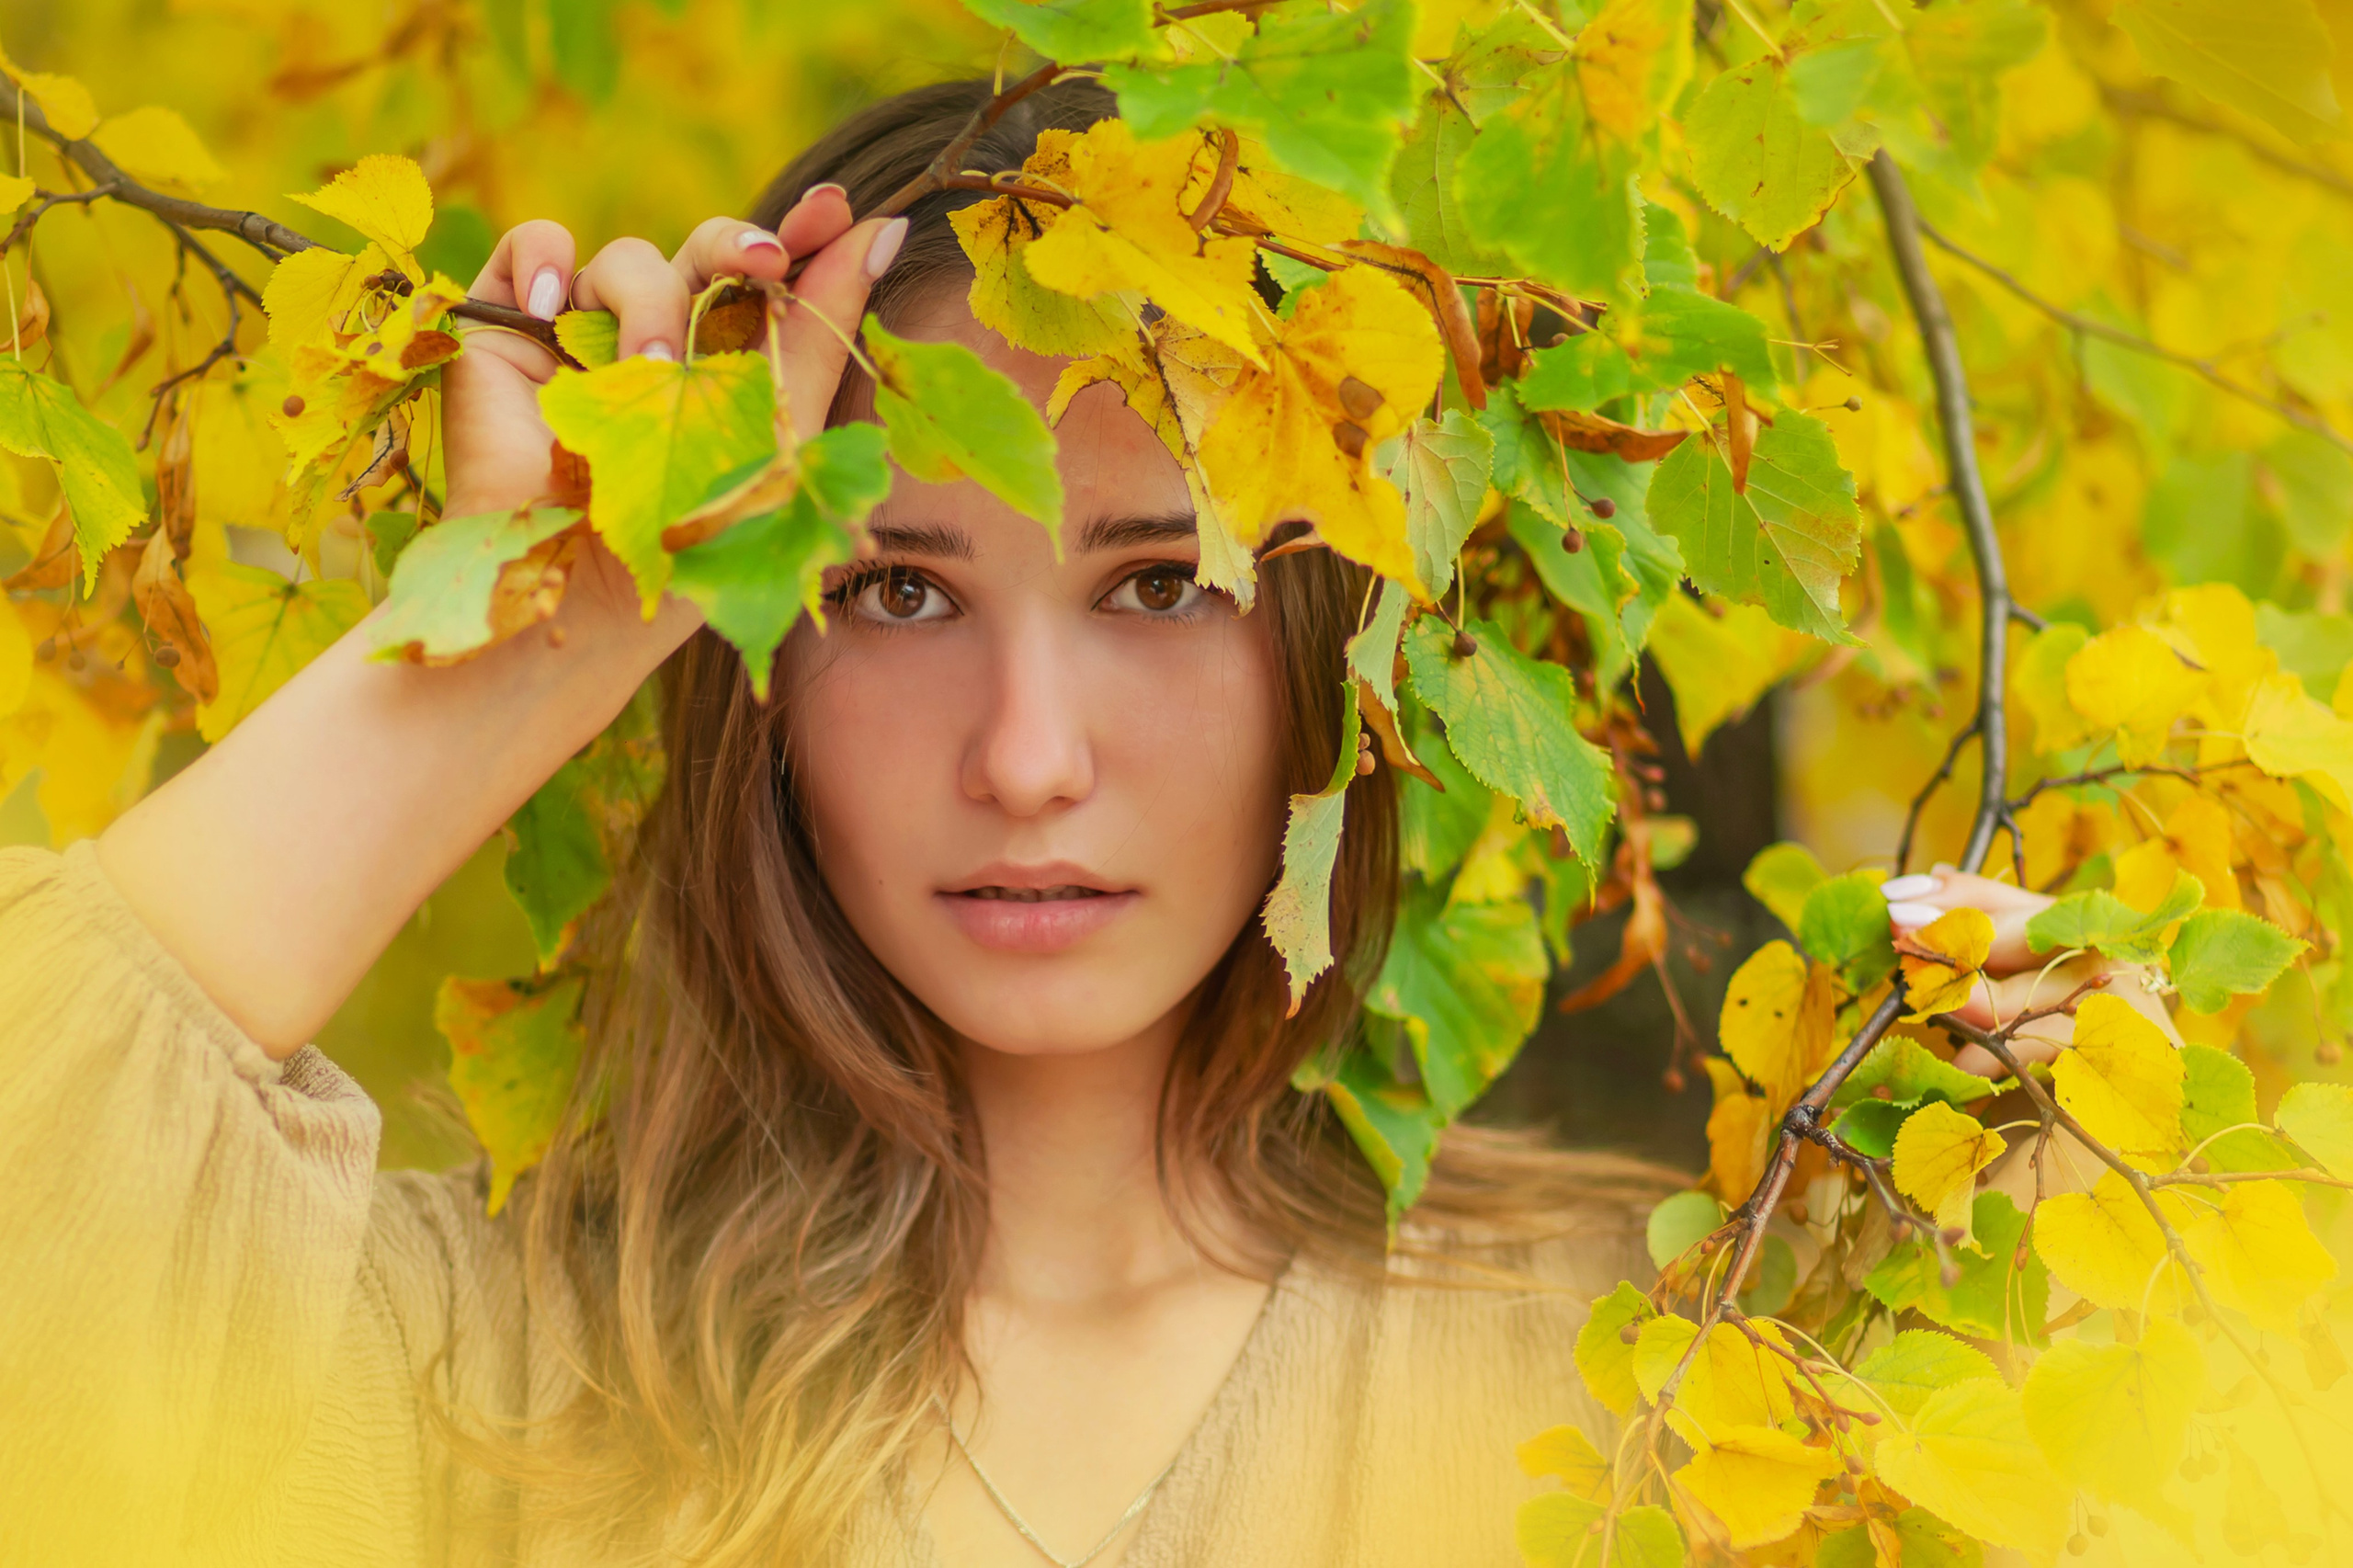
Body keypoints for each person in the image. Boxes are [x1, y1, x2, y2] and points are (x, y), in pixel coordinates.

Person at [0, 77, 2142, 1568]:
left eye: (1159, 586)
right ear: (754, 678)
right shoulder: (480, 1384)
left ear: (1324, 645)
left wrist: (2087, 1156)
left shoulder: (1654, 1390)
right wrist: (529, 639)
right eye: (894, 589)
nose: (1026, 756)